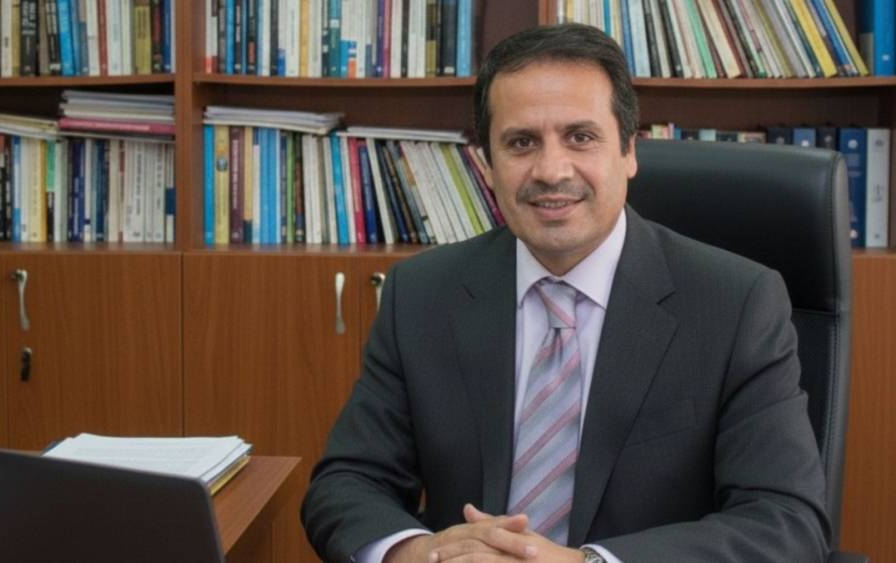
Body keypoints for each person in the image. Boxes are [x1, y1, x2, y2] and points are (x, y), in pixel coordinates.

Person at [301, 23, 829, 563]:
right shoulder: (421, 293)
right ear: (487, 164)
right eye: (521, 142)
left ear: (628, 149)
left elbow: (785, 521)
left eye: (580, 137)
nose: (551, 171)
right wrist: (419, 554)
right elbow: (348, 482)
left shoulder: (736, 303)